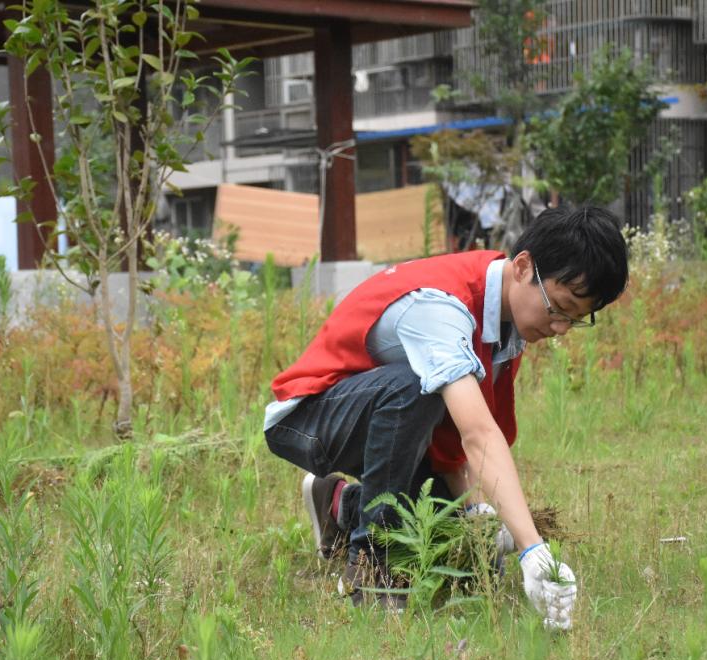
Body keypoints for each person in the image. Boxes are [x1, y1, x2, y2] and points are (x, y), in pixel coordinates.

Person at [264, 205, 629, 629]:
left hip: (385, 423)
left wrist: (477, 515)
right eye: (560, 308)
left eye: (575, 320)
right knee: (410, 389)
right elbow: (478, 434)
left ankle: (341, 506)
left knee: (470, 558)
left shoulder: (505, 319)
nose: (561, 328)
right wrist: (533, 549)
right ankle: (372, 569)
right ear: (523, 266)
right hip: (310, 417)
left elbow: (457, 440)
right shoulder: (441, 308)